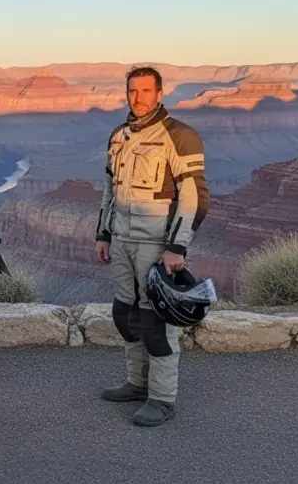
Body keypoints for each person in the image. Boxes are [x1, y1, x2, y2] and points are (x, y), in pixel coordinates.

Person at [93, 65, 210, 427]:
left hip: (156, 242)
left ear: (160, 93)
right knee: (123, 314)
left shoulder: (179, 135)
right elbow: (109, 190)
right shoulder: (119, 136)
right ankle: (137, 383)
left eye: (146, 91)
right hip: (122, 239)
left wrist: (177, 247)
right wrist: (103, 233)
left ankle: (162, 398)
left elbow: (195, 196)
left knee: (154, 321)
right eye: (132, 91)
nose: (138, 98)